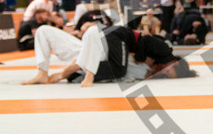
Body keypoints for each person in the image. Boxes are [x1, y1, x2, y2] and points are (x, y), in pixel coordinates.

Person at [23, 24, 178, 87]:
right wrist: (140, 56)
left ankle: (77, 68)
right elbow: (145, 40)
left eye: (167, 74)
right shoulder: (157, 55)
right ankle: (42, 72)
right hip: (97, 47)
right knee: (43, 30)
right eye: (170, 69)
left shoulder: (146, 71)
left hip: (92, 54)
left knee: (44, 30)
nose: (166, 70)